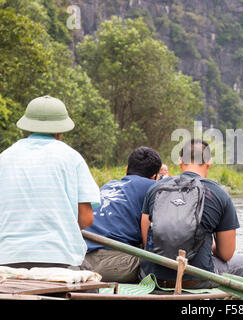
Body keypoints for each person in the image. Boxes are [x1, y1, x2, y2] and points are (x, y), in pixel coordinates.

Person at [0, 95, 100, 270]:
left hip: (7, 258)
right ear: (60, 131)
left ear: (27, 128)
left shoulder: (4, 158)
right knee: (89, 278)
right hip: (59, 258)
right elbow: (86, 218)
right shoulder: (72, 158)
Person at [140, 139, 243, 288]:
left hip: (154, 277)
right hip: (197, 279)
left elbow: (148, 240)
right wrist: (204, 243)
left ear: (180, 161)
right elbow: (226, 254)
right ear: (208, 162)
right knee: (242, 263)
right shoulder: (220, 195)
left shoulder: (155, 189)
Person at [83, 147, 162, 283]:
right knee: (161, 261)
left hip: (82, 261)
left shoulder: (108, 185)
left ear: (126, 169)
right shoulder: (152, 187)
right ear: (155, 176)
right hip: (113, 265)